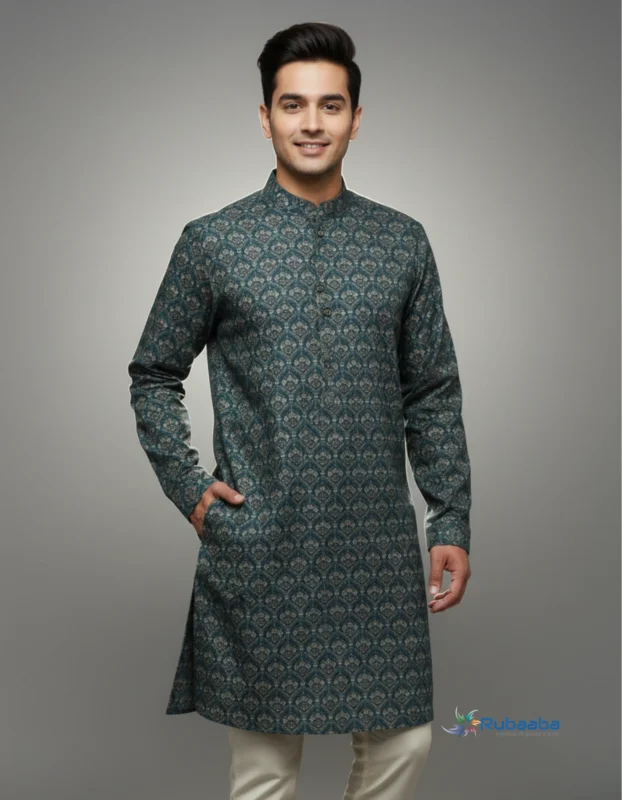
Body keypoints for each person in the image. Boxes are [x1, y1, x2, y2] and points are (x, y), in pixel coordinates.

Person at [127, 20, 472, 800]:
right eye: (293, 105)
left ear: (356, 117)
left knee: (406, 742)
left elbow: (431, 391)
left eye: (330, 105)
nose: (312, 123)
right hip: (263, 546)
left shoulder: (401, 243)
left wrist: (449, 519)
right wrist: (191, 490)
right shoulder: (215, 243)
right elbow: (153, 374)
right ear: (265, 117)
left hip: (374, 550)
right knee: (265, 773)